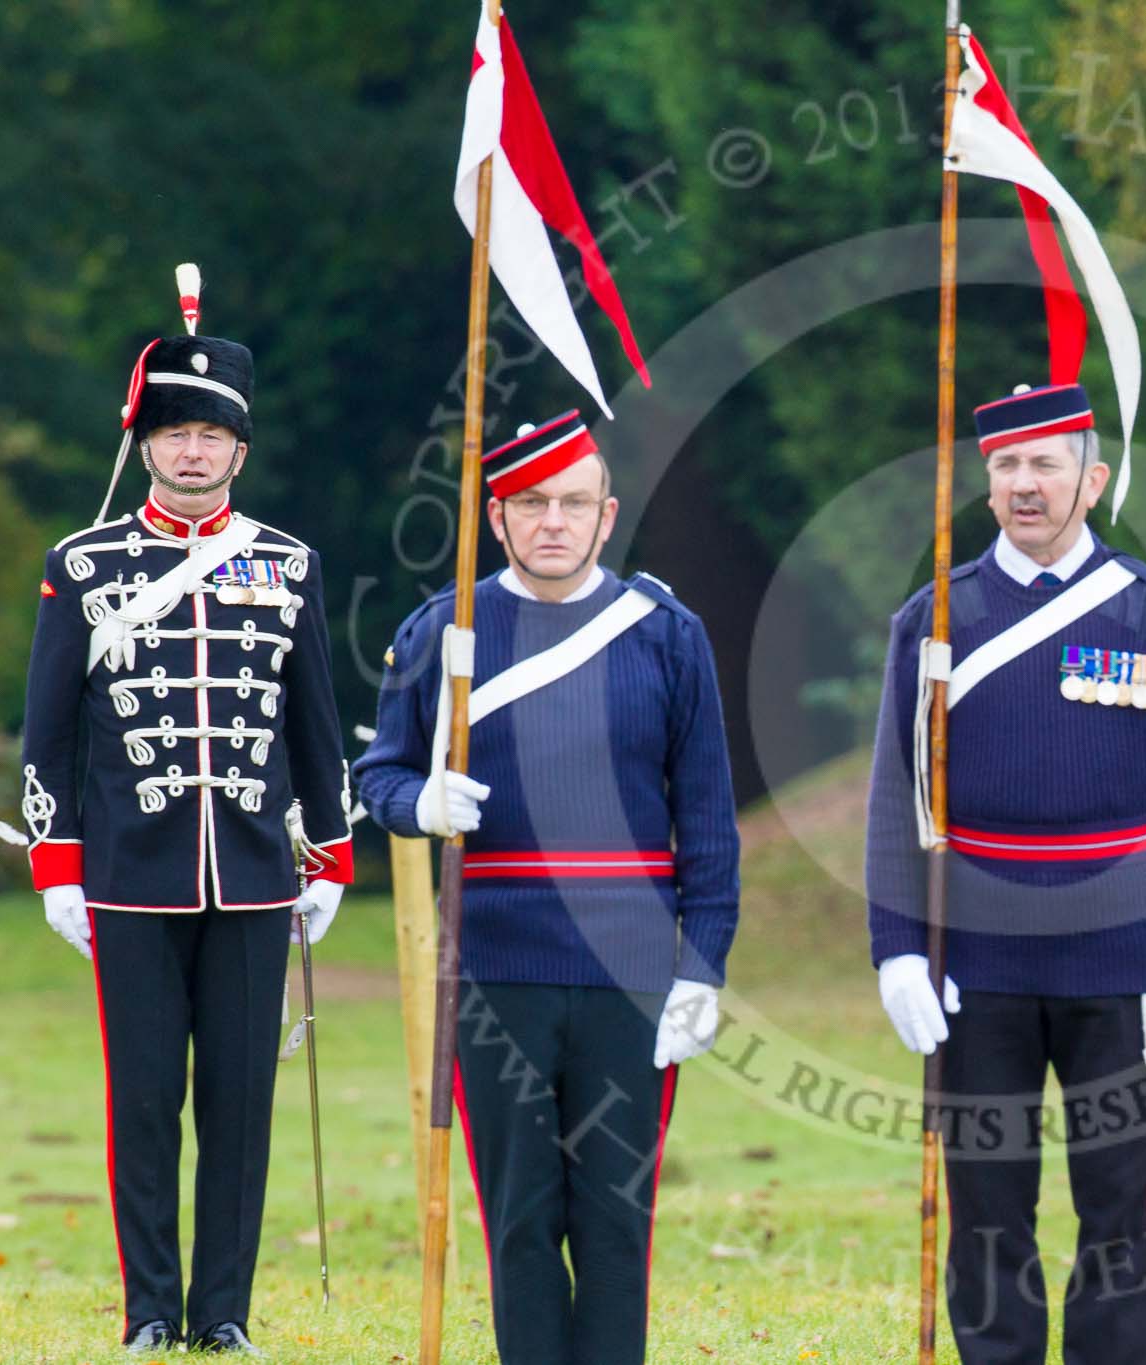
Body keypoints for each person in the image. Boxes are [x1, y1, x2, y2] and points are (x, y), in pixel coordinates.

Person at [863, 381, 1146, 1364]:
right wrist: (897, 949)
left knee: (1117, 1207)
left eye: (1045, 464)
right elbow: (893, 799)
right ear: (985, 484)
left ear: (1093, 478)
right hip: (972, 959)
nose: (1024, 485)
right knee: (987, 1208)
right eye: (1004, 467)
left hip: (1120, 953)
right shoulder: (932, 620)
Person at [355, 412, 740, 1365]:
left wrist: (705, 962)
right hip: (496, 967)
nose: (554, 522)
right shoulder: (445, 627)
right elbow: (381, 777)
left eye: (574, 504)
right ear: (498, 517)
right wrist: (423, 801)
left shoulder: (664, 633)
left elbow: (708, 819)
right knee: (519, 1215)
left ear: (607, 517)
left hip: (631, 970)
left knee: (616, 1216)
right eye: (532, 504)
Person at [19, 298, 352, 1354]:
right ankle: (152, 1313)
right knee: (146, 1102)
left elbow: (315, 724)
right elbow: (49, 734)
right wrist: (57, 867)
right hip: (126, 874)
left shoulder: (287, 565)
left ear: (239, 448)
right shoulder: (82, 566)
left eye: (212, 433)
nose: (194, 449)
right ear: (147, 443)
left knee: (242, 1113)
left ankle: (225, 1317)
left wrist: (333, 854)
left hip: (255, 875)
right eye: (176, 432)